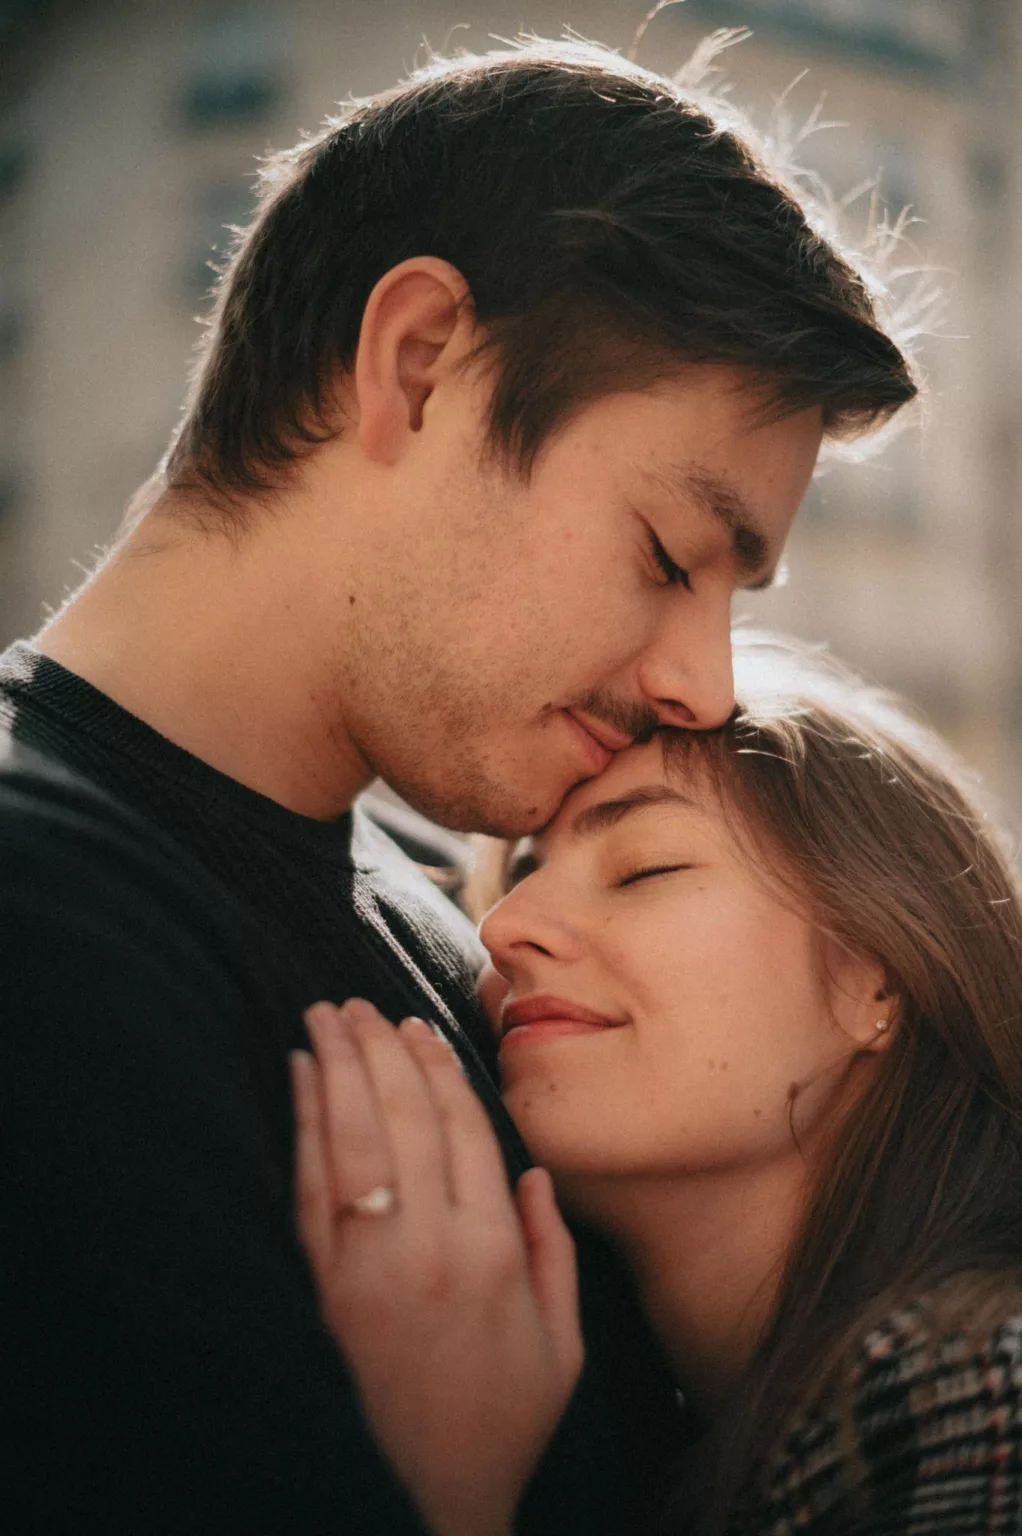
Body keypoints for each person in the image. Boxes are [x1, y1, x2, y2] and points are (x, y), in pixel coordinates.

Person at [1, 37, 916, 1535]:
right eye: (668, 557)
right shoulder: (43, 939)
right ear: (420, 363)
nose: (709, 688)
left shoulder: (468, 949)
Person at [293, 634, 1022, 1536]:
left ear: (876, 976)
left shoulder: (969, 1395)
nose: (505, 927)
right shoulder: (706, 1436)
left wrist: (455, 1499)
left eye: (646, 869)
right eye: (517, 875)